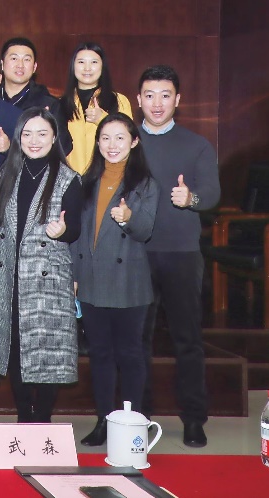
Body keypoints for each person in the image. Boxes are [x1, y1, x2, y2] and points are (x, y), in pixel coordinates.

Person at [137, 65, 219, 448]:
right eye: (150, 95)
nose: (157, 103)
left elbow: (211, 193)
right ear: (138, 99)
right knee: (136, 341)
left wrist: (191, 198)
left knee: (187, 339)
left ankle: (193, 419)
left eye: (165, 95)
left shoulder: (196, 144)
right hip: (134, 255)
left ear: (178, 100)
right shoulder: (124, 140)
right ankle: (136, 417)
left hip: (181, 253)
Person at [0, 109, 82, 423]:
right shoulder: (6, 173)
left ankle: (42, 418)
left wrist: (62, 231)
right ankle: (23, 416)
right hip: (9, 276)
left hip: (47, 278)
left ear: (54, 138)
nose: (34, 140)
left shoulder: (68, 178)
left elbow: (75, 228)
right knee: (15, 347)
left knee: (45, 349)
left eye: (42, 133)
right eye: (27, 134)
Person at [71, 112, 157, 447]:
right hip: (91, 281)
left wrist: (128, 218)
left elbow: (145, 230)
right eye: (105, 138)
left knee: (130, 355)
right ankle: (104, 421)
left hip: (128, 282)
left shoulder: (145, 183)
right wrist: (74, 275)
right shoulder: (86, 180)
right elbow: (77, 234)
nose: (112, 145)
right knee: (100, 356)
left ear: (134, 142)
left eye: (120, 138)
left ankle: (132, 423)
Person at [60, 42, 133, 173]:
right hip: (69, 178)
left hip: (106, 177)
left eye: (94, 62)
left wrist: (104, 120)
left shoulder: (119, 101)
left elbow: (129, 140)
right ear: (73, 66)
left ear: (102, 66)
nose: (87, 68)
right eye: (81, 62)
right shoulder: (60, 103)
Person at [0, 37, 72, 155]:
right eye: (14, 58)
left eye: (26, 59)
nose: (20, 65)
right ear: (2, 64)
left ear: (34, 67)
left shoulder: (49, 104)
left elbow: (65, 147)